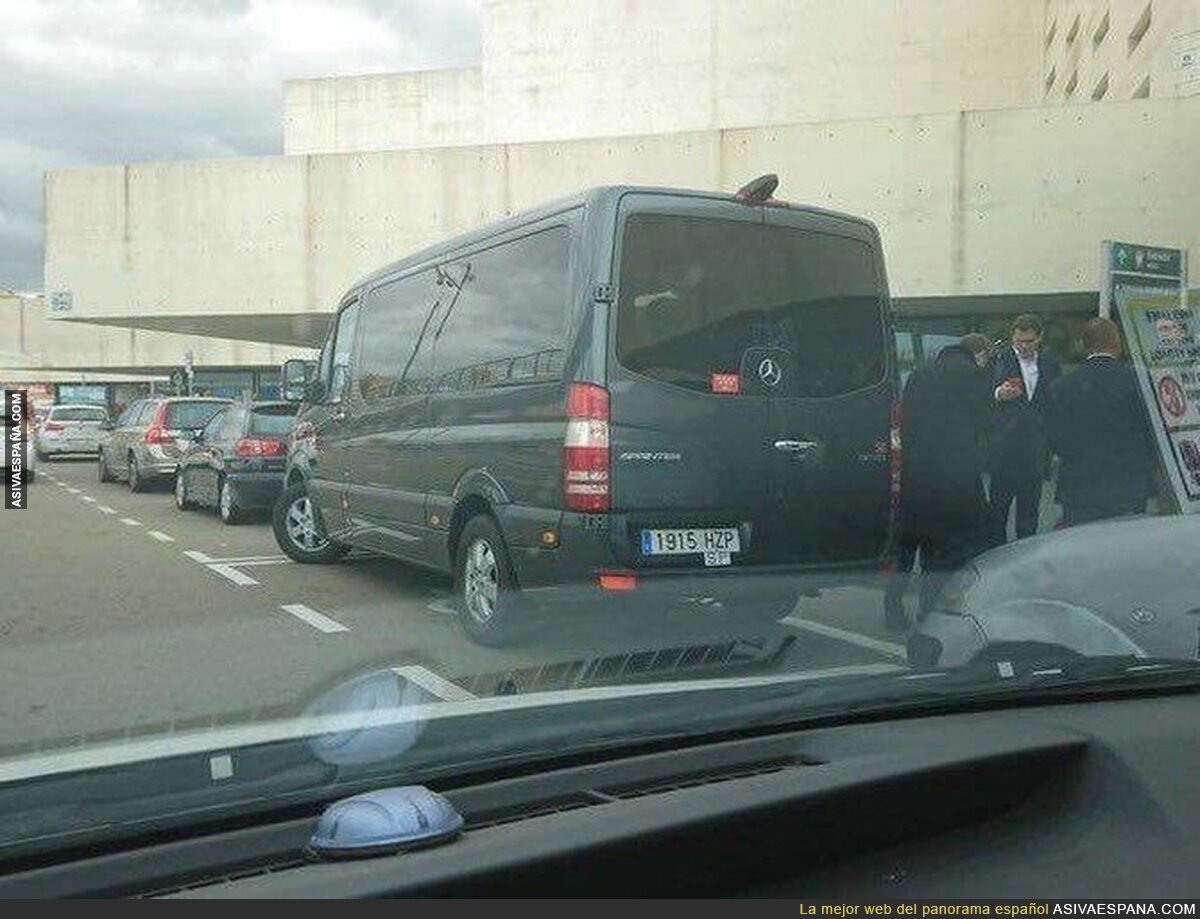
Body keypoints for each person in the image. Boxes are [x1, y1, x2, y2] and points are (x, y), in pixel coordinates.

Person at [884, 334, 993, 631]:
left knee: (906, 548)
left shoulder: (919, 375)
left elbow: (904, 422)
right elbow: (986, 421)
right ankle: (929, 611)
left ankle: (892, 610)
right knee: (942, 550)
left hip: (916, 473)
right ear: (980, 355)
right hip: (954, 476)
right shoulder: (974, 376)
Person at [1047, 317, 1157, 526]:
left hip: (1080, 485)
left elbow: (1054, 438)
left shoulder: (1061, 387)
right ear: (1117, 342)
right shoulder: (1141, 382)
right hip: (1129, 483)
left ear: (1084, 345)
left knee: (1083, 550)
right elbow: (1152, 433)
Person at [988, 314, 1061, 542]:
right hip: (1003, 450)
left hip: (1035, 450)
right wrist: (999, 394)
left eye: (1028, 341)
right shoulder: (998, 361)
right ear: (1013, 338)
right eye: (1018, 341)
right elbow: (980, 395)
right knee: (997, 511)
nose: (1022, 346)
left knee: (1029, 513)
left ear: (1039, 338)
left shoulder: (1050, 363)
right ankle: (996, 558)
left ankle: (1025, 559)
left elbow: (1054, 403)